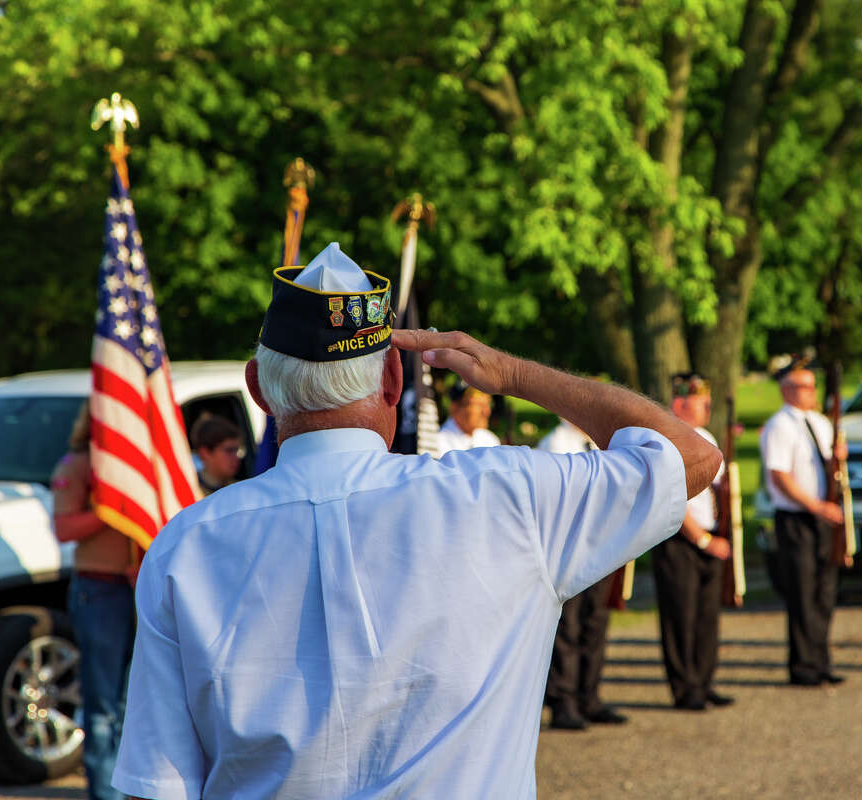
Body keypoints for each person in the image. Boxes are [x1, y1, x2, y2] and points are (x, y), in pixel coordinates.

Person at [111, 242, 721, 799]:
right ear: (394, 379)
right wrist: (511, 374)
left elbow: (155, 787)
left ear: (259, 390)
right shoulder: (506, 496)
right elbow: (693, 457)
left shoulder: (185, 547)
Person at [51, 403, 139, 800]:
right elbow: (65, 528)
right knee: (103, 705)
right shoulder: (78, 465)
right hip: (99, 590)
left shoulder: (140, 464)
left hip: (139, 587)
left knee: (131, 702)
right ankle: (107, 793)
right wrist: (112, 511)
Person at [649, 373, 734, 711]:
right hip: (680, 538)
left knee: (705, 616)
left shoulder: (706, 436)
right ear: (681, 404)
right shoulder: (669, 439)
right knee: (681, 617)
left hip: (709, 535)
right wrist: (700, 539)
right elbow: (672, 498)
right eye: (703, 401)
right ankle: (685, 688)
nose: (709, 407)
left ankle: (704, 680)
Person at [759, 362, 847, 687]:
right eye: (804, 387)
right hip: (797, 518)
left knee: (824, 591)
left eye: (813, 386)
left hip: (823, 519)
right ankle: (803, 665)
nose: (811, 392)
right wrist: (815, 506)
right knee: (803, 592)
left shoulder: (821, 423)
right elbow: (780, 476)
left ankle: (821, 660)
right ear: (787, 390)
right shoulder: (780, 425)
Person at [539, 418, 627, 729]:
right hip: (570, 549)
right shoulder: (556, 443)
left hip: (602, 546)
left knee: (595, 622)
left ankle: (589, 695)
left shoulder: (599, 441)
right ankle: (563, 701)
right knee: (568, 627)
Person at [435, 381, 501, 455]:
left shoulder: (490, 441)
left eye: (487, 404)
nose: (486, 412)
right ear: (455, 408)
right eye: (479, 405)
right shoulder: (436, 445)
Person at [189, 415, 244, 497]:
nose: (236, 457)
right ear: (205, 453)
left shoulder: (240, 489)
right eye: (229, 450)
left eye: (236, 450)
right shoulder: (190, 494)